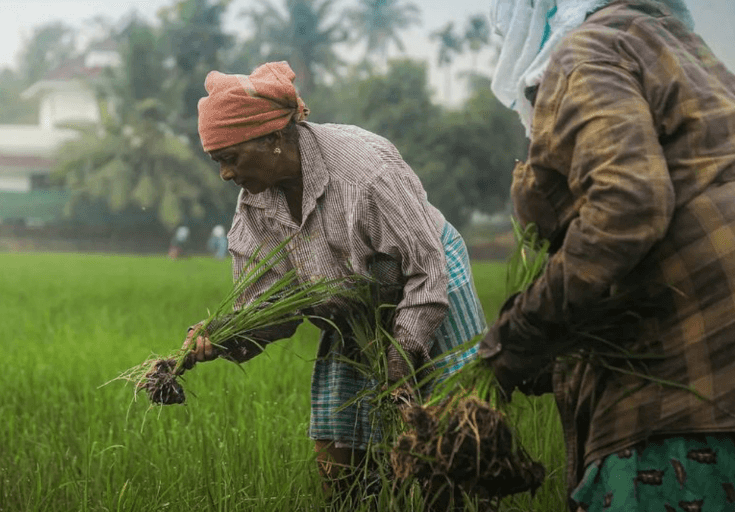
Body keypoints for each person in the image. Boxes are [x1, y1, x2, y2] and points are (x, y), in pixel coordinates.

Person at [179, 61, 487, 506]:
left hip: (428, 283)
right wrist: (223, 339)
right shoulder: (254, 210)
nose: (226, 174)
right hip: (352, 306)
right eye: (218, 162)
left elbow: (424, 268)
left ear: (274, 138)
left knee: (452, 447)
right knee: (342, 465)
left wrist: (400, 362)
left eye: (231, 159)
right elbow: (269, 310)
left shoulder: (365, 171)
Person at [478, 0, 735, 510]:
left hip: (681, 379)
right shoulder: (686, 52)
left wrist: (518, 338)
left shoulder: (588, 52)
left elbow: (628, 204)